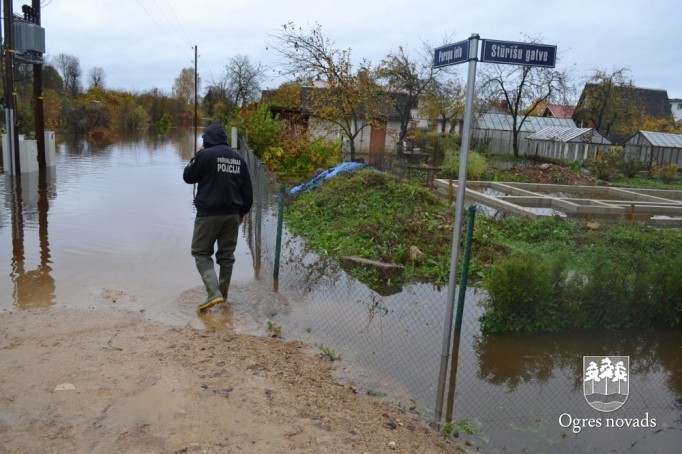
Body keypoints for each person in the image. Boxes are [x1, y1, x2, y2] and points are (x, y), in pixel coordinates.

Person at [183, 123, 253, 312]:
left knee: (201, 252)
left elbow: (188, 177)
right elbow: (247, 192)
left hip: (208, 214)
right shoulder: (239, 159)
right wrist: (242, 213)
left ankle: (213, 293)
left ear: (206, 140)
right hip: (232, 215)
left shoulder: (205, 155)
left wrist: (197, 156)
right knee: (226, 257)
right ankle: (223, 297)